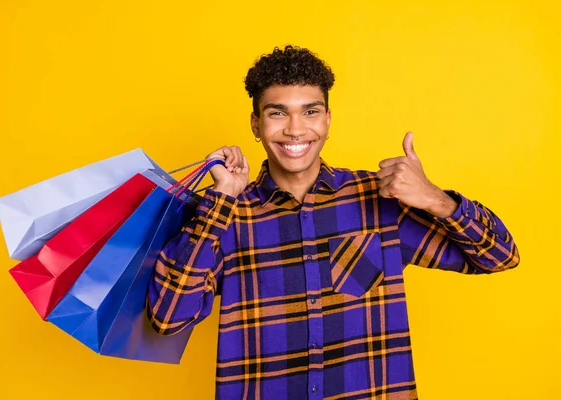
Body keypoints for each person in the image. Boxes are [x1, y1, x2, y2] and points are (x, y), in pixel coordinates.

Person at [146, 45, 520, 400]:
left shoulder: (380, 200)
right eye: (277, 113)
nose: (295, 129)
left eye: (310, 112)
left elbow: (500, 256)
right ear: (256, 125)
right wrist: (221, 200)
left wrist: (434, 199)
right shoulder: (225, 215)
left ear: (327, 120)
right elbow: (166, 318)